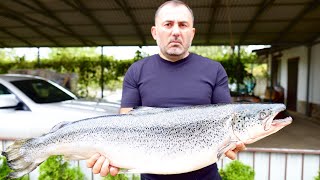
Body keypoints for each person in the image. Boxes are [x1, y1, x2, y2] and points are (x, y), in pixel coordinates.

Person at [86, 0, 246, 179]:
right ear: (155, 32)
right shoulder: (136, 71)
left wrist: (233, 142)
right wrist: (108, 156)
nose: (176, 31)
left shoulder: (214, 70)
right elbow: (125, 127)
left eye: (183, 25)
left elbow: (227, 122)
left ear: (192, 33)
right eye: (168, 24)